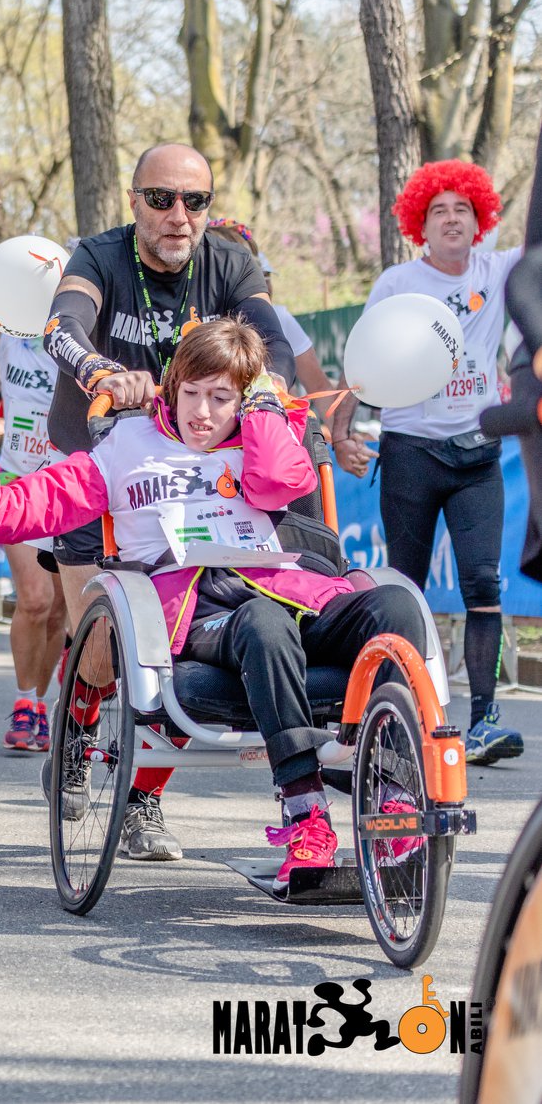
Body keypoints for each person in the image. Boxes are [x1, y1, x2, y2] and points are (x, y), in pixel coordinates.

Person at [0, 319, 430, 888]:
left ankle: (389, 784)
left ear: (245, 399)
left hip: (293, 591)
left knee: (393, 606)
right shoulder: (125, 447)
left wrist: (265, 408)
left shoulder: (262, 435)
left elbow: (275, 483)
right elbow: (3, 511)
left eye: (221, 398)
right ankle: (305, 815)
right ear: (171, 388)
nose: (201, 412)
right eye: (190, 392)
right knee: (263, 624)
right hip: (202, 612)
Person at [40, 142, 296, 862]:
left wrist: (269, 389)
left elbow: (268, 336)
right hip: (102, 457)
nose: (178, 216)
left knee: (171, 640)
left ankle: (142, 798)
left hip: (193, 477)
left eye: (195, 201)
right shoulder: (98, 255)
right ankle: (79, 724)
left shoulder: (230, 261)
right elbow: (61, 325)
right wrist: (99, 371)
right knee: (101, 649)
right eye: (160, 199)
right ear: (134, 203)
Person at [331, 160, 525, 764]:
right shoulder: (396, 282)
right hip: (411, 450)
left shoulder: (499, 271)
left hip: (476, 455)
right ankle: (400, 713)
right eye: (437, 210)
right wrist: (339, 430)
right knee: (405, 588)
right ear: (421, 222)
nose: (450, 219)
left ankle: (486, 718)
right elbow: (360, 364)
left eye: (461, 210)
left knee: (483, 583)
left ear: (479, 221)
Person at [0, 219, 67, 754]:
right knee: (35, 598)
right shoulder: (9, 341)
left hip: (72, 488)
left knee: (62, 611)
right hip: (19, 481)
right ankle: (26, 701)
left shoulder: (81, 342)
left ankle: (41, 702)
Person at [206, 220, 337, 406]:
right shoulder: (196, 319)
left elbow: (317, 388)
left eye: (265, 276)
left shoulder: (279, 318)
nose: (264, 285)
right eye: (256, 276)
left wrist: (340, 434)